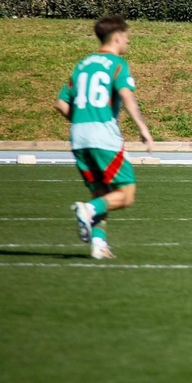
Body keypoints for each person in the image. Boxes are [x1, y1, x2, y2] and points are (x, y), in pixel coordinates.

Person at [58, 16, 154, 260]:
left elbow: (61, 103)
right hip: (103, 135)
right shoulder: (117, 63)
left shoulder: (83, 64)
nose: (128, 41)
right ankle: (88, 210)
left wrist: (83, 120)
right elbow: (128, 97)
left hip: (78, 137)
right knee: (126, 194)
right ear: (117, 37)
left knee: (102, 193)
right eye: (127, 36)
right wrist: (142, 127)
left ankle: (99, 245)